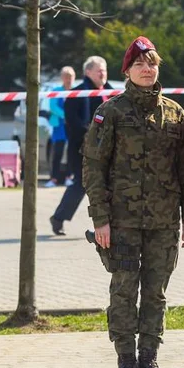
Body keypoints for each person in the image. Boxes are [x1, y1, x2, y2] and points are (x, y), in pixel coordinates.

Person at [82, 37, 184, 368]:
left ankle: (149, 360)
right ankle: (126, 362)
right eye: (139, 65)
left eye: (152, 64)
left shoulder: (175, 113)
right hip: (122, 221)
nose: (147, 70)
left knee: (155, 293)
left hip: (164, 221)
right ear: (127, 71)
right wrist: (100, 219)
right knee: (123, 290)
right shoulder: (111, 112)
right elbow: (93, 167)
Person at [50, 56, 111, 235]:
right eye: (99, 70)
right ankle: (58, 218)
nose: (103, 73)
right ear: (88, 72)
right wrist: (95, 138)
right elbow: (74, 124)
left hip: (111, 150)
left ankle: (106, 226)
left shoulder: (112, 92)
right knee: (81, 185)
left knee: (112, 185)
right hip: (83, 150)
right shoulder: (77, 94)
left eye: (104, 70)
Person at [43, 66, 75, 187]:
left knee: (71, 152)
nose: (68, 79)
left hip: (72, 127)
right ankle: (54, 178)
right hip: (59, 126)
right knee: (58, 152)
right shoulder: (56, 90)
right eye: (66, 76)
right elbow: (53, 107)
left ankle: (68, 176)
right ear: (62, 78)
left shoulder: (76, 91)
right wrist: (65, 115)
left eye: (70, 76)